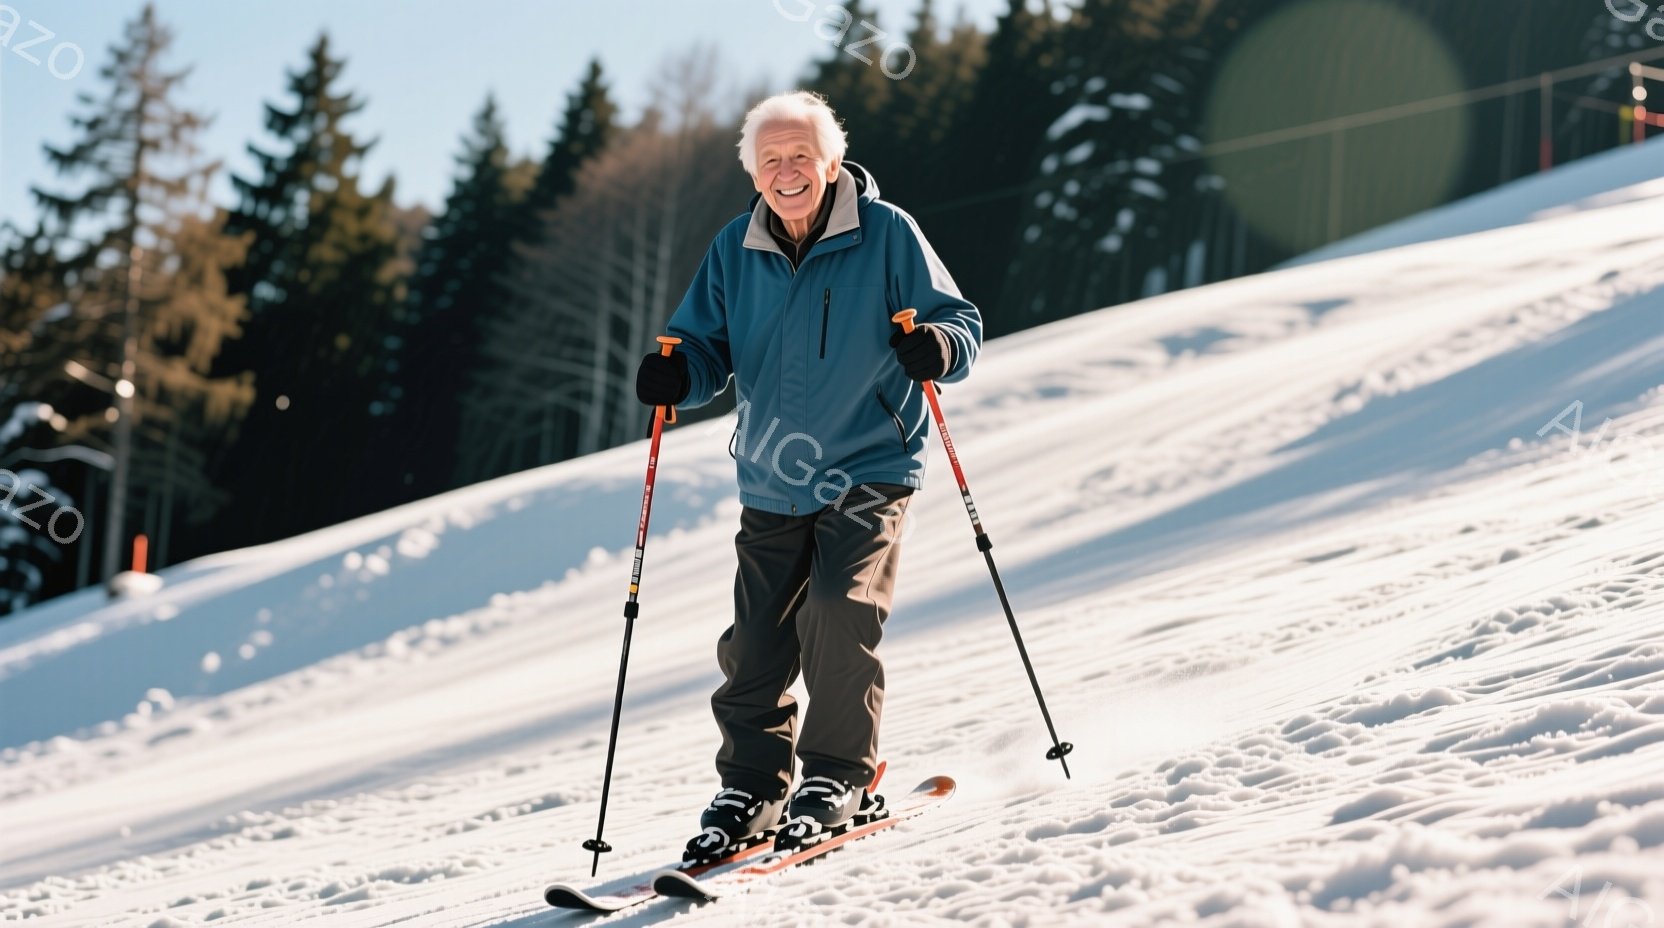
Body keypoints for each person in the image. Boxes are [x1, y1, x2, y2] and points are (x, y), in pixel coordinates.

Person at [634, 90, 981, 855]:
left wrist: (939, 348)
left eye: (800, 157)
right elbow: (700, 348)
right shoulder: (736, 247)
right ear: (754, 174)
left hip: (869, 466)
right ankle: (752, 786)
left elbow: (960, 321)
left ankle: (838, 774)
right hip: (771, 477)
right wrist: (675, 376)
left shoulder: (888, 234)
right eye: (770, 161)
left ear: (830, 162)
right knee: (754, 642)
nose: (786, 172)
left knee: (836, 608)